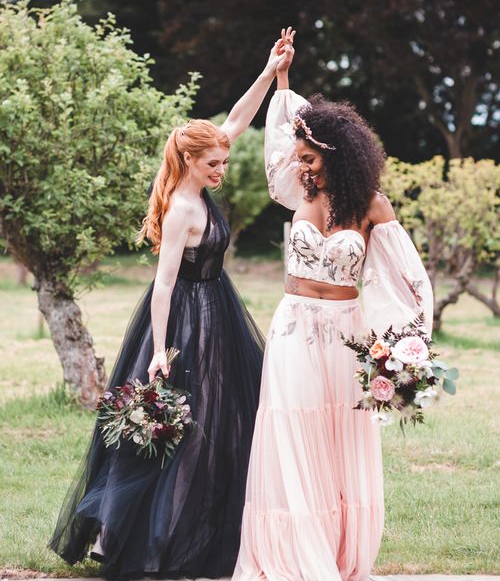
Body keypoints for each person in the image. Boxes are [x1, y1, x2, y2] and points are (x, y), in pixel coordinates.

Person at [49, 34, 291, 580]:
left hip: (217, 309)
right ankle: (148, 539)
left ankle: (215, 524)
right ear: (188, 160)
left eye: (223, 162)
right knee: (181, 427)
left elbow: (237, 116)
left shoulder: (203, 164)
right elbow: (162, 285)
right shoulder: (183, 207)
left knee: (227, 417)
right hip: (184, 318)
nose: (221, 171)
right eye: (213, 164)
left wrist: (269, 67)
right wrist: (160, 350)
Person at [233, 30, 434, 581]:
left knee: (338, 437)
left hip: (348, 332)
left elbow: (408, 280)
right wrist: (282, 77)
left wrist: (407, 348)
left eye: (310, 158)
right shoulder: (296, 190)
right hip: (295, 326)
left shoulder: (372, 206)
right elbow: (279, 134)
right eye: (299, 157)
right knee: (290, 431)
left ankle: (337, 550)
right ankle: (294, 556)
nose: (301, 166)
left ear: (335, 156)